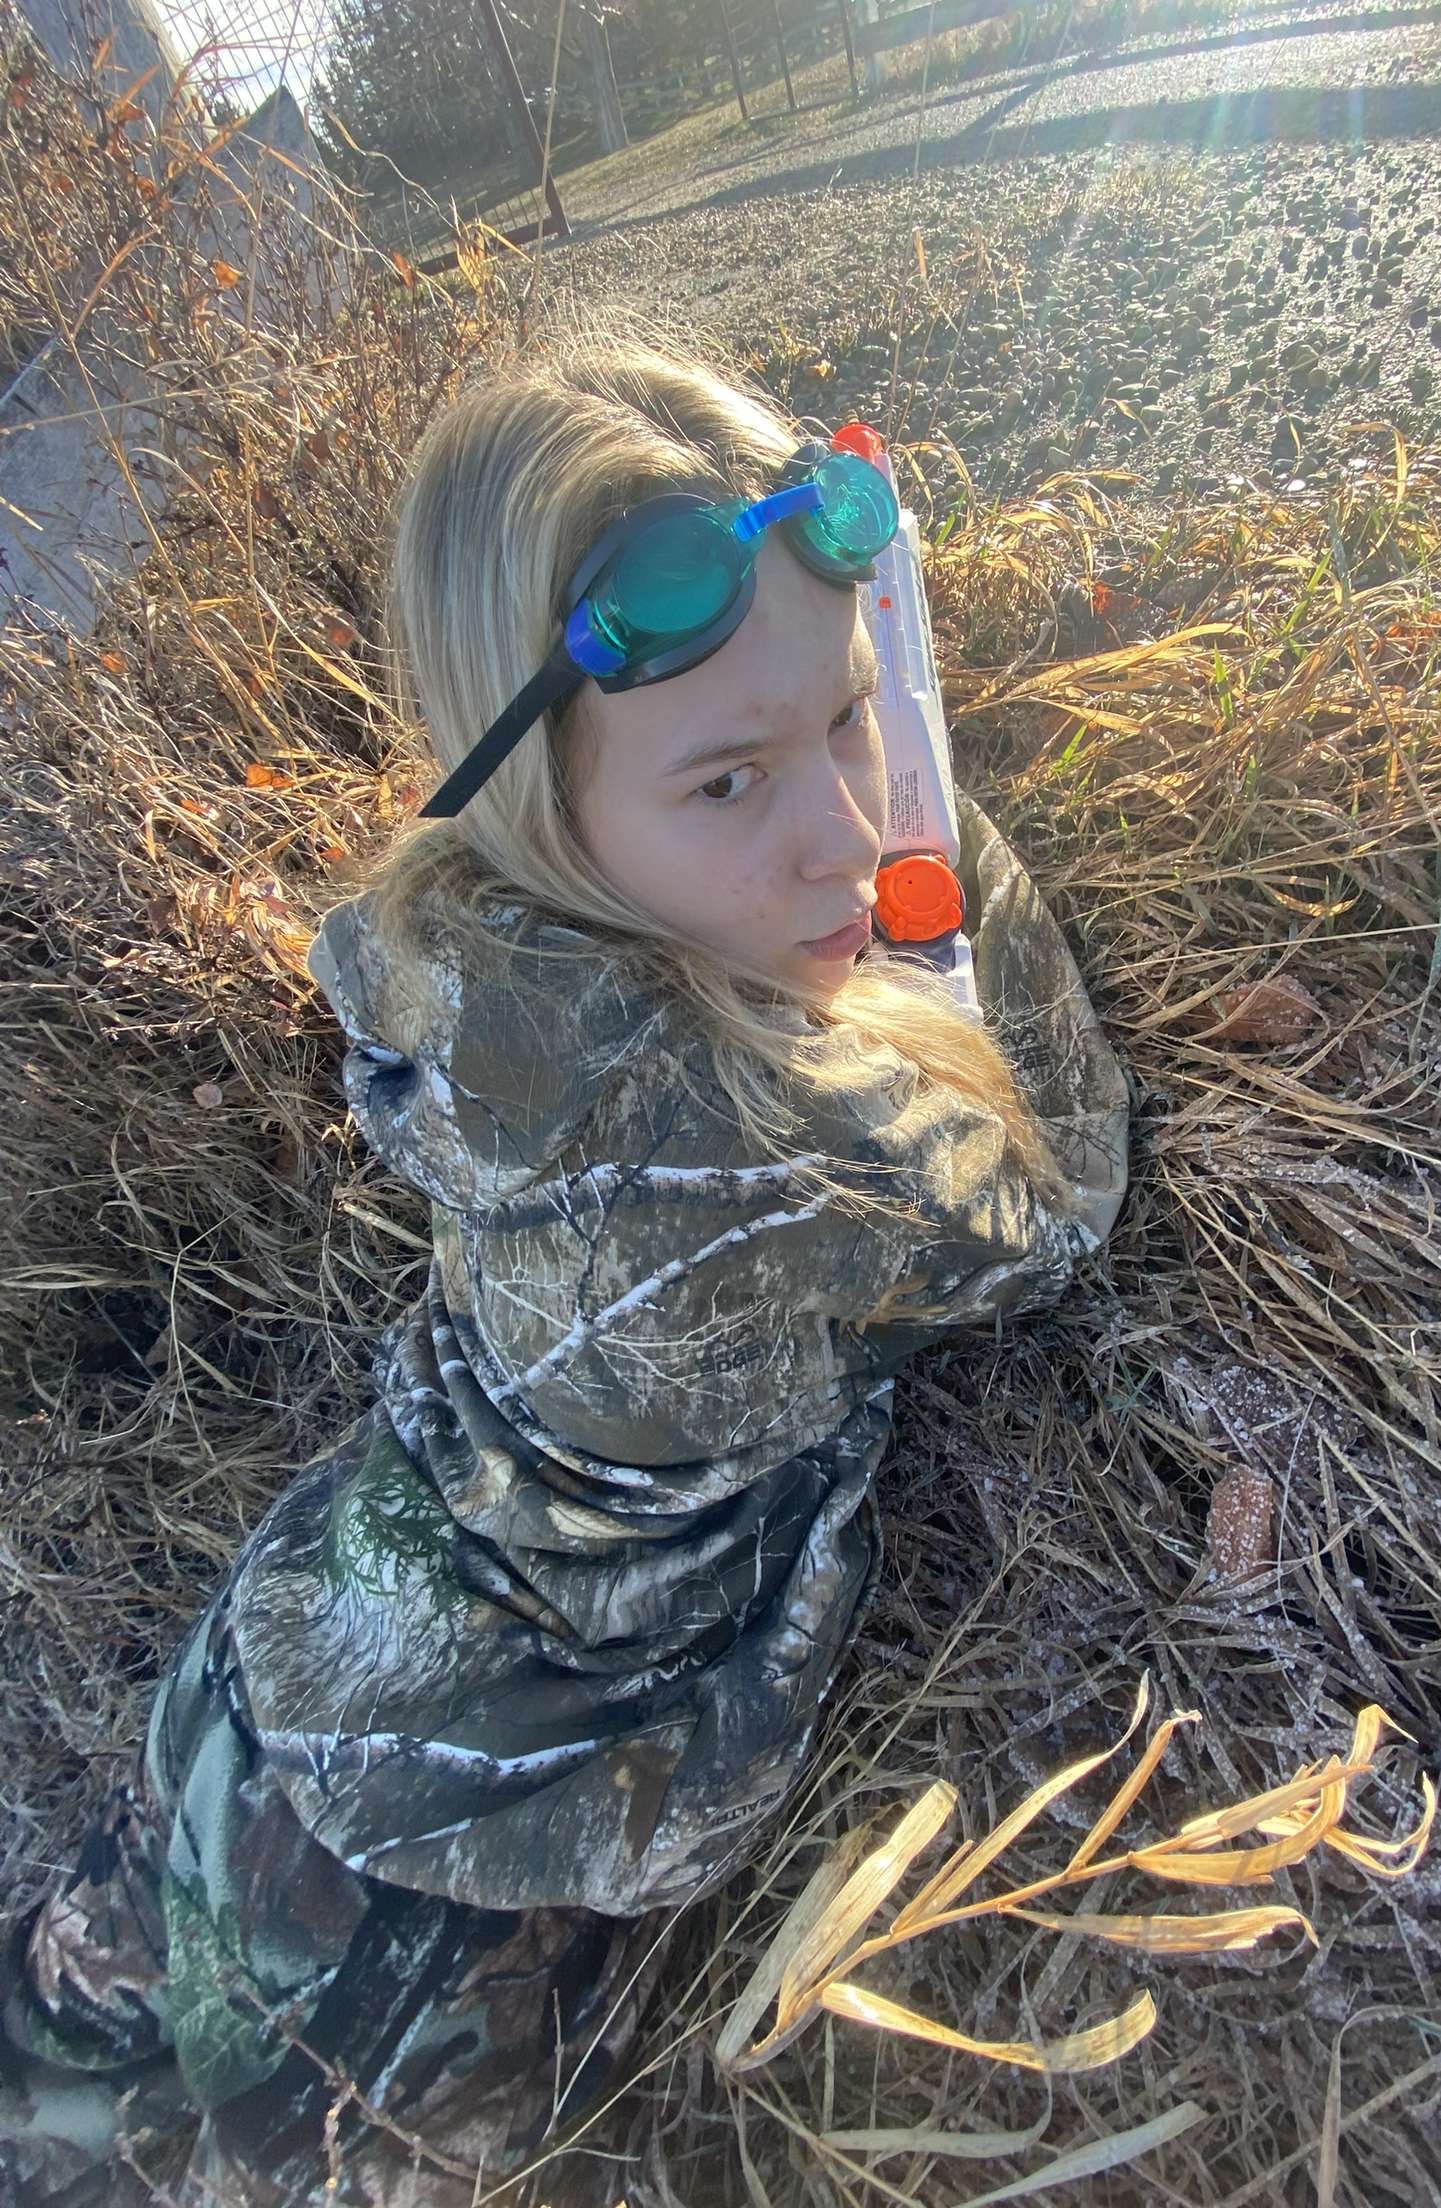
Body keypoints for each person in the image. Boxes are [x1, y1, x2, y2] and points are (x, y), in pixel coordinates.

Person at [0, 305, 1130, 2207]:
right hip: (401, 1886)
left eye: (852, 713)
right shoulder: (724, 1185)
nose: (849, 837)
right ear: (555, 803)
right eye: (729, 779)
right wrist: (925, 748)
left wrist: (824, 710)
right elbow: (1056, 1190)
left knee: (54, 2057)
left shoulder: (472, 942)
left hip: (292, 1645)